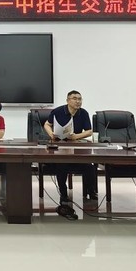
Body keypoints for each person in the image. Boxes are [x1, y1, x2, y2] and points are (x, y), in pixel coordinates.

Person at [43, 90, 98, 220]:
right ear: (68, 100)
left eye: (80, 99)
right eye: (74, 98)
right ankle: (63, 194)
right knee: (61, 166)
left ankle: (91, 191)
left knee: (90, 167)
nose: (78, 101)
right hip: (59, 146)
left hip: (76, 147)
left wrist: (76, 136)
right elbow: (47, 124)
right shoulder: (58, 111)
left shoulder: (83, 113)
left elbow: (89, 131)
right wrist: (51, 134)